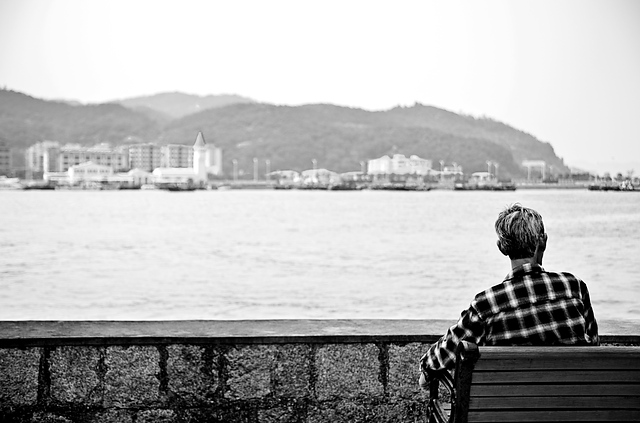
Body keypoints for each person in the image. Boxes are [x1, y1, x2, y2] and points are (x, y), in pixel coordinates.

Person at [420, 203, 599, 382]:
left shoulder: (486, 305)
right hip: (573, 397)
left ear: (501, 247)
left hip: (508, 399)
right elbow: (593, 344)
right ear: (543, 241)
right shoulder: (574, 287)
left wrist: (425, 369)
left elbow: (441, 358)